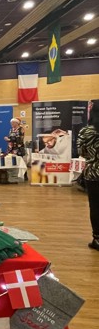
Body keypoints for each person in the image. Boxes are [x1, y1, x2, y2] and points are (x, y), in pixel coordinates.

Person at [77, 102, 99, 251]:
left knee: (95, 205)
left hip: (93, 172)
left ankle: (97, 238)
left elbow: (81, 152)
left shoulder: (86, 131)